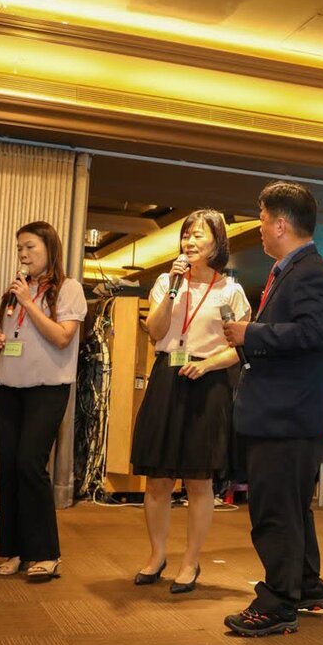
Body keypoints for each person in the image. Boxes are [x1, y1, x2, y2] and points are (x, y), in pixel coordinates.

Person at [221, 181, 323, 637]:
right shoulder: (293, 269)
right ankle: (305, 585)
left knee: (275, 511)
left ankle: (278, 603)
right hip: (288, 413)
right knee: (291, 507)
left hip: (288, 417)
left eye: (263, 219)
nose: (260, 228)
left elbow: (312, 334)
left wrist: (250, 334)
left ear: (282, 224)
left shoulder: (309, 272)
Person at [130, 209, 251, 594]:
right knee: (158, 478)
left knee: (199, 481)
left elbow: (241, 347)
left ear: (218, 242)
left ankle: (190, 561)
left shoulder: (229, 291)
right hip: (167, 377)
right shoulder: (167, 281)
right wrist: (172, 289)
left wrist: (209, 364)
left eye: (199, 235)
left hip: (208, 382)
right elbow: (156, 330)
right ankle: (157, 555)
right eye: (186, 235)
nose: (190, 241)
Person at [0, 221, 86, 582]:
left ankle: (45, 552)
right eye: (20, 248)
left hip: (47, 388)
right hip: (8, 386)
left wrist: (30, 302)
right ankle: (15, 550)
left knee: (30, 463)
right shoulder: (15, 290)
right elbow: (8, 333)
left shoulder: (69, 289)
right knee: (10, 467)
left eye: (30, 247)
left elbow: (62, 337)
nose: (24, 254)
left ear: (49, 248)